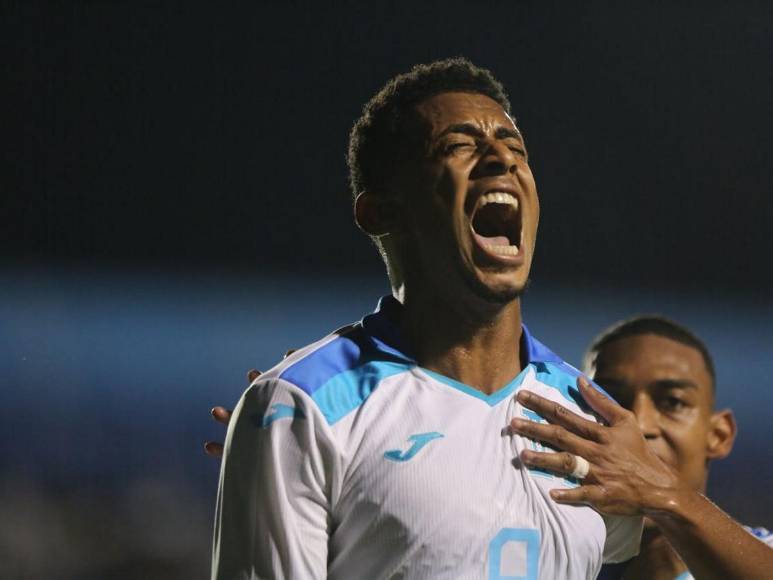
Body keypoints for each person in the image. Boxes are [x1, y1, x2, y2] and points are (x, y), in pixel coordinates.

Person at [211, 58, 644, 579]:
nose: (500, 160)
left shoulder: (589, 420)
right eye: (459, 146)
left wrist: (671, 497)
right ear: (381, 212)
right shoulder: (304, 406)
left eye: (516, 149)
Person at [207, 315, 773, 579]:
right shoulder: (562, 557)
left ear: (719, 432)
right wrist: (321, 461)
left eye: (671, 402)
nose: (637, 423)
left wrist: (666, 497)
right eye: (612, 398)